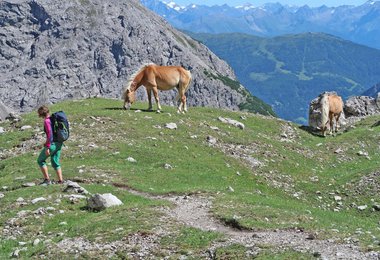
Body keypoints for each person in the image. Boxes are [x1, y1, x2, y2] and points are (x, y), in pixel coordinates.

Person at [37, 105, 64, 185]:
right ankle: (60, 181)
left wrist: (47, 147)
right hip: (59, 143)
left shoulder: (47, 121)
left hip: (52, 144)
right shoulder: (53, 119)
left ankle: (47, 180)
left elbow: (50, 134)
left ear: (41, 114)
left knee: (40, 160)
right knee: (55, 162)